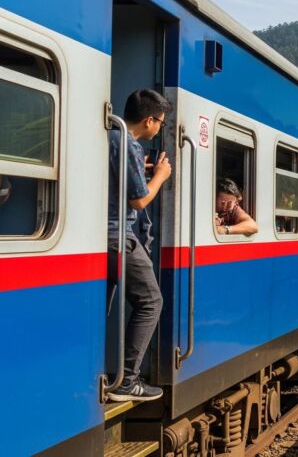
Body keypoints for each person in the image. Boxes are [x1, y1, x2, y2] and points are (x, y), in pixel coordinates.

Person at [106, 89, 173, 402]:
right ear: (149, 120)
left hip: (101, 236)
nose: (159, 128)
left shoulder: (110, 136)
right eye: (160, 122)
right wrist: (159, 176)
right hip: (119, 235)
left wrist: (141, 172)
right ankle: (127, 381)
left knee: (103, 303)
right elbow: (139, 198)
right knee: (151, 302)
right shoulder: (128, 144)